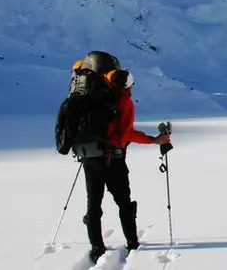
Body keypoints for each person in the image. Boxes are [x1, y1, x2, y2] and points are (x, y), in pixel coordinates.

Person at [71, 50, 171, 263]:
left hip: (89, 155)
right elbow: (127, 133)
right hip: (113, 158)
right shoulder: (123, 101)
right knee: (124, 202)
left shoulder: (88, 96)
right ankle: (132, 242)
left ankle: (97, 248)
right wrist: (154, 140)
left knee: (93, 204)